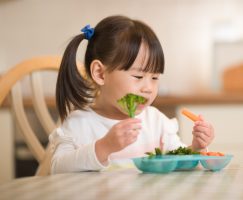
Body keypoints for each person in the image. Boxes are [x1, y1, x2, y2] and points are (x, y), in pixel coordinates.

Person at [50, 15, 214, 174]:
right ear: (100, 73)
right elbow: (57, 168)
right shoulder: (80, 124)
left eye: (155, 77)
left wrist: (196, 147)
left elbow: (177, 164)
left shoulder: (156, 122)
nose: (149, 88)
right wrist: (104, 147)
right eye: (138, 77)